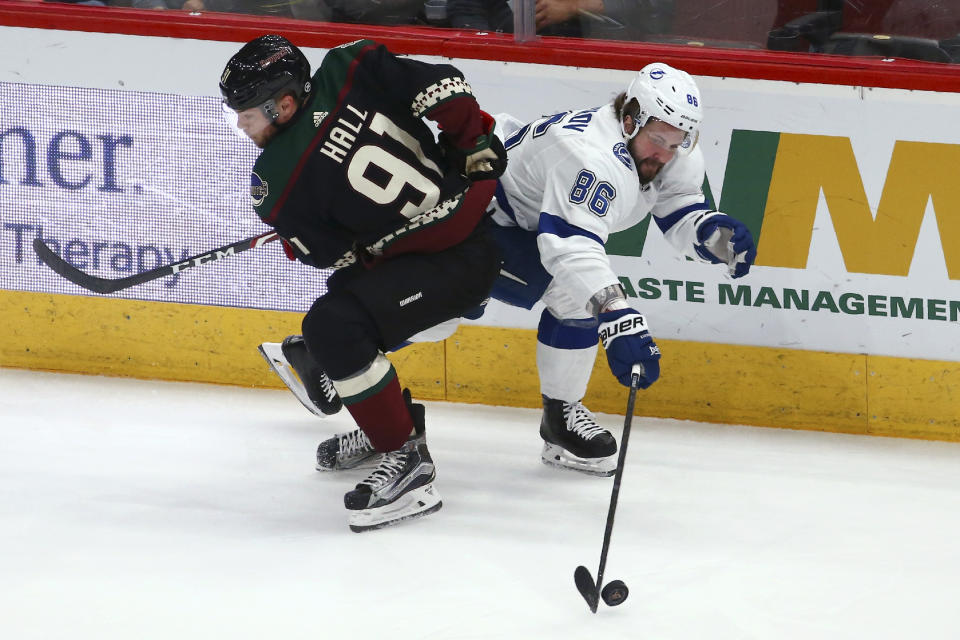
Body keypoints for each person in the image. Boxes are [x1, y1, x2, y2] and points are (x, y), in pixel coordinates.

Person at [266, 62, 754, 479]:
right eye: (658, 140)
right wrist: (619, 317)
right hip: (486, 211)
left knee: (466, 307)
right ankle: (334, 359)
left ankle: (320, 356)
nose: (666, 154)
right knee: (482, 300)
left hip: (516, 214)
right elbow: (570, 248)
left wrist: (710, 231)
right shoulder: (589, 157)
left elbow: (676, 204)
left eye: (677, 143)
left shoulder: (668, 149)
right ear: (629, 118)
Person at [222, 34, 506, 531]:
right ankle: (388, 429)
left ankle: (407, 462)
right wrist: (471, 142)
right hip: (469, 236)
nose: (242, 126)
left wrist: (293, 240)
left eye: (247, 114)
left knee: (335, 329)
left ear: (283, 104)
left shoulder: (273, 182)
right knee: (338, 321)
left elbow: (330, 255)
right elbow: (447, 87)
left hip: (451, 265)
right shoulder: (349, 65)